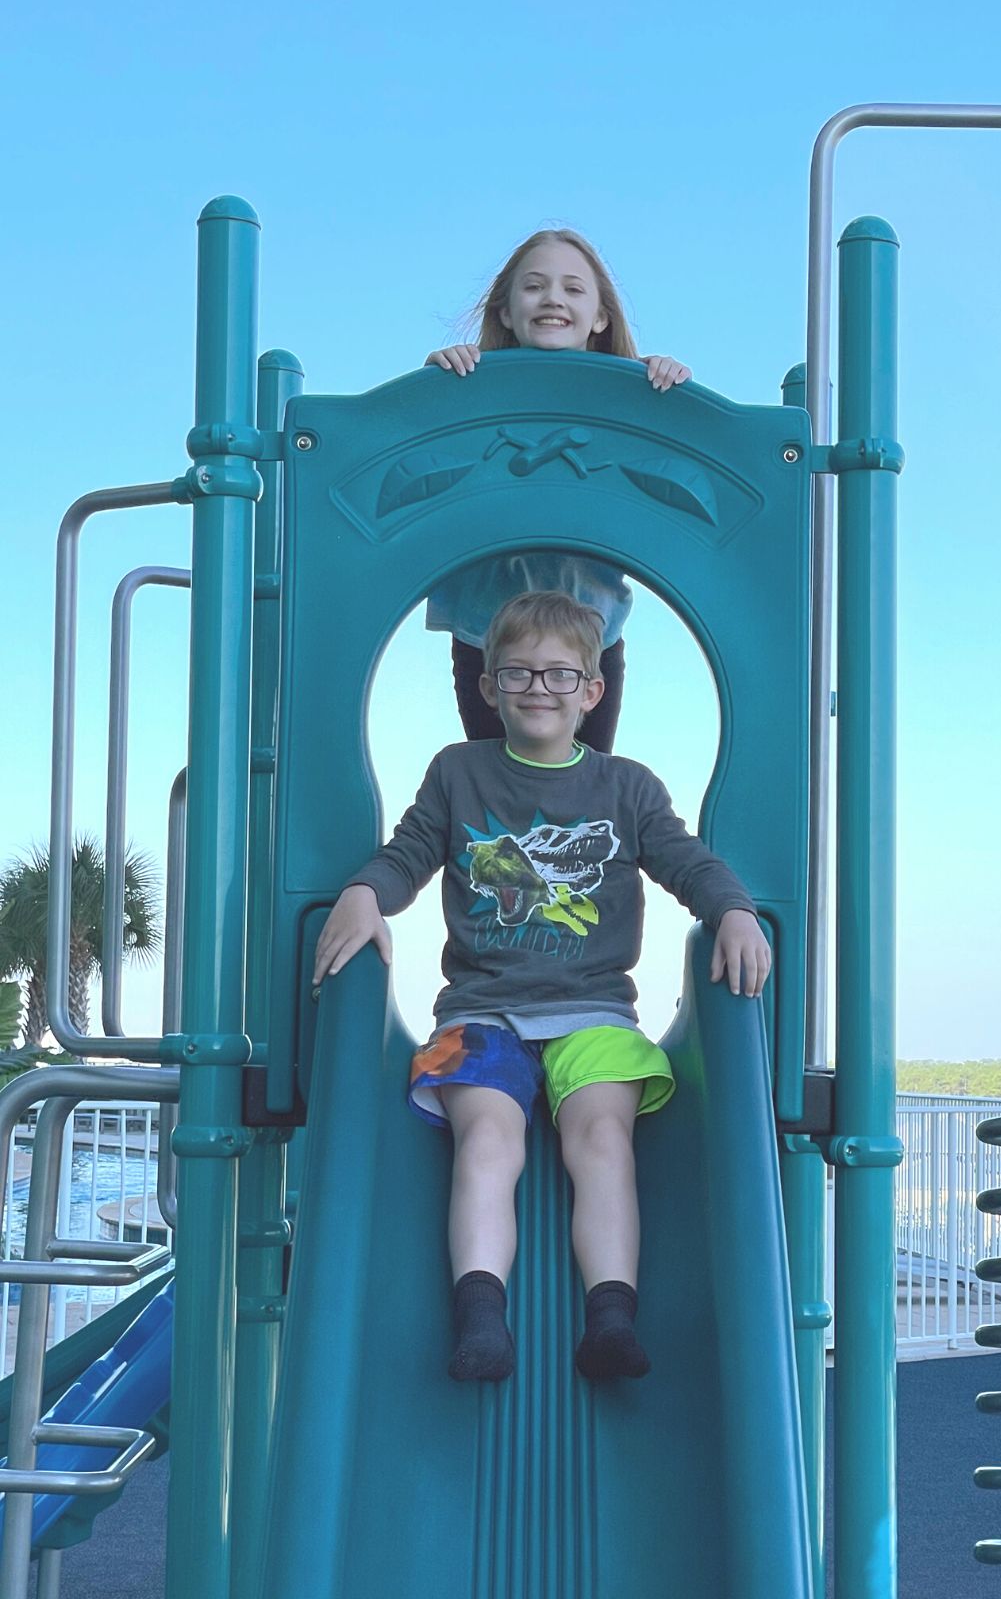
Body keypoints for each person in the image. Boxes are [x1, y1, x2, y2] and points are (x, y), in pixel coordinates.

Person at [312, 591, 770, 1384]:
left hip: (593, 1010)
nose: (538, 688)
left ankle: (611, 1318)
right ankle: (482, 1319)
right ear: (488, 686)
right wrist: (365, 893)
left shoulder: (624, 788)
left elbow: (684, 859)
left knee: (601, 1139)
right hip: (480, 1013)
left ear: (592, 691)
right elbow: (410, 851)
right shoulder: (460, 773)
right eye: (518, 672)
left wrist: (731, 908)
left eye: (561, 676)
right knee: (487, 1138)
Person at [422, 228, 691, 753]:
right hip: (487, 635)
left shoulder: (623, 405)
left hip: (590, 633)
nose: (552, 299)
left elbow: (661, 474)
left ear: (600, 317)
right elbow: (426, 451)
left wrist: (664, 383)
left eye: (573, 289)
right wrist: (438, 381)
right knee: (496, 781)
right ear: (504, 311)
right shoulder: (472, 391)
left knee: (586, 779)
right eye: (534, 287)